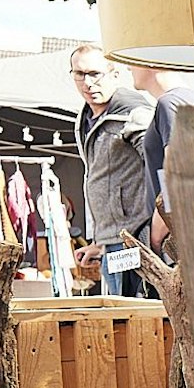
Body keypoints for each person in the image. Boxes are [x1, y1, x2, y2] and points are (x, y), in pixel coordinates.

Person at [69, 45, 154, 296]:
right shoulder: (85, 118)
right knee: (121, 313)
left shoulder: (134, 112)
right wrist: (99, 242)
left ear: (115, 74)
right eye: (80, 74)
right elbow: (104, 180)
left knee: (136, 312)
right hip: (112, 243)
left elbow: (161, 166)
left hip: (136, 240)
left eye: (95, 73)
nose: (88, 82)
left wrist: (153, 231)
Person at [129, 65, 194, 259]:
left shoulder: (170, 103)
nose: (128, 67)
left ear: (149, 62)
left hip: (173, 238)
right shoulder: (187, 99)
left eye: (133, 60)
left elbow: (179, 173)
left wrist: (155, 236)